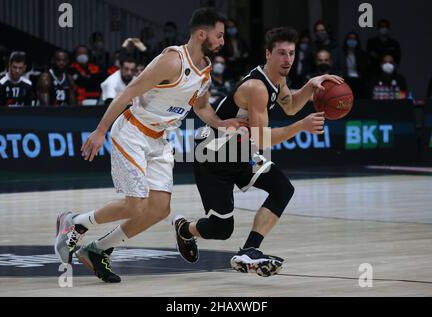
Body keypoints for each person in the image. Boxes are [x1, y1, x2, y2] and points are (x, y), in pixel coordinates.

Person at [54, 7, 246, 283]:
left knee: (158, 209)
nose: (222, 41)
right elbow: (129, 91)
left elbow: (202, 107)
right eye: (219, 35)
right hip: (132, 131)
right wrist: (100, 130)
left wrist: (223, 123)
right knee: (136, 205)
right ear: (202, 34)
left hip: (159, 139)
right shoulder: (172, 61)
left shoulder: (204, 69)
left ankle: (98, 251)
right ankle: (75, 222)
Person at [172, 27, 343, 277]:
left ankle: (250, 249)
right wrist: (301, 127)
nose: (287, 59)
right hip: (214, 154)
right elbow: (262, 138)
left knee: (283, 188)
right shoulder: (257, 87)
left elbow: (292, 106)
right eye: (281, 53)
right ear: (268, 54)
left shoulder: (278, 80)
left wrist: (310, 85)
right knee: (221, 229)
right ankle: (184, 229)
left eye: (291, 53)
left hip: (239, 150)